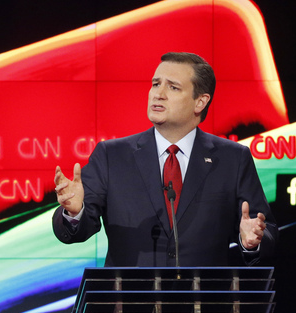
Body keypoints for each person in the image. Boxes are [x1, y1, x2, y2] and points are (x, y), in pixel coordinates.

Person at [53, 52, 277, 267]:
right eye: (155, 83)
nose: (158, 94)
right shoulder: (112, 156)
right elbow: (77, 231)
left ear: (200, 102)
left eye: (173, 87)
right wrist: (75, 212)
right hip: (131, 302)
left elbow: (267, 231)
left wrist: (252, 240)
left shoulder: (232, 158)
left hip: (202, 302)